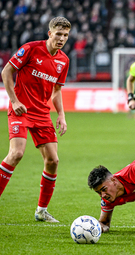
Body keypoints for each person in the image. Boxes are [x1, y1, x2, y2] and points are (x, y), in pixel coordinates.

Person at [0, 17, 71, 223]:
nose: (61, 38)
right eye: (58, 34)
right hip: (21, 110)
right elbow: (7, 71)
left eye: (65, 35)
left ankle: (41, 211)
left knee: (53, 160)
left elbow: (57, 90)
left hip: (42, 114)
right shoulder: (31, 49)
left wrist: (61, 115)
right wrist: (13, 101)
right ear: (50, 33)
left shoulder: (63, 60)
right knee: (16, 153)